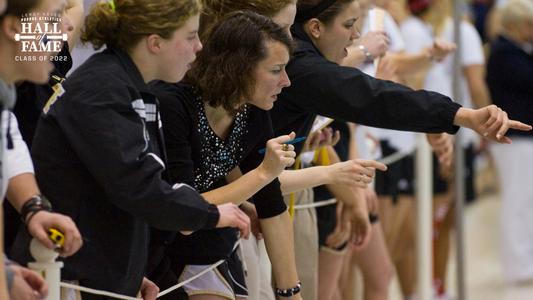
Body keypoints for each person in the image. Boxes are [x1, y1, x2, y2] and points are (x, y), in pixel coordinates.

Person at [10, 0, 251, 298]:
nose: (199, 46)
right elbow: (138, 188)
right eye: (190, 36)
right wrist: (211, 213)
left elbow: (115, 194)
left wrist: (131, 272)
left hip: (94, 273)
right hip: (64, 275)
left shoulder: (132, 88)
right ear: (155, 43)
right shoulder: (102, 91)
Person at [148, 11, 300, 300]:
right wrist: (263, 173)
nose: (286, 81)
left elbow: (271, 204)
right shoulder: (172, 104)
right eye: (276, 70)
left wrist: (290, 292)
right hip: (153, 253)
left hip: (210, 245)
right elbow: (183, 210)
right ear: (240, 68)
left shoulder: (252, 110)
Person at [1, 0, 85, 298]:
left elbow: (9, 147)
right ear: (13, 28)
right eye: (52, 19)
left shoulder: (5, 98)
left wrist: (33, 209)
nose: (68, 26)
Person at [487, 0, 533, 289]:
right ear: (516, 25)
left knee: (526, 202)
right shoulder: (504, 53)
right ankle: (518, 265)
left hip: (524, 139)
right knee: (517, 202)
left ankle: (525, 260)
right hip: (514, 140)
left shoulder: (518, 51)